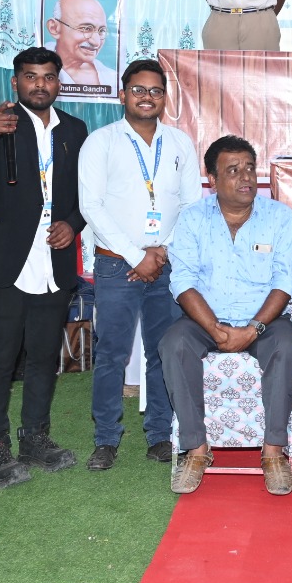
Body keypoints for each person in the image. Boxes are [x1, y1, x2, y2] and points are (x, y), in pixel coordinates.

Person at [0, 47, 89, 488]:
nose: (40, 84)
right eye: (31, 77)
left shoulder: (74, 129)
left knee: (43, 356)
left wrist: (73, 224)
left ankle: (35, 437)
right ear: (15, 82)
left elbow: (86, 192)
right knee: (0, 359)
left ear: (58, 83)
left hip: (54, 260)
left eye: (48, 77)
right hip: (7, 261)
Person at [79, 59, 202, 470]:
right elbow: (91, 206)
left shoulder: (180, 143)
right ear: (122, 94)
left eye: (155, 91)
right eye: (138, 90)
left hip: (167, 265)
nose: (147, 97)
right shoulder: (101, 142)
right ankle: (106, 439)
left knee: (163, 351)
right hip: (117, 265)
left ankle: (160, 435)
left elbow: (191, 205)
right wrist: (137, 256)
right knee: (111, 354)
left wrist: (161, 252)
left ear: (165, 97)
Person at [162, 136, 292, 496]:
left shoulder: (279, 216)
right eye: (234, 170)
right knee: (174, 344)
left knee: (287, 347)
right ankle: (196, 450)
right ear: (212, 179)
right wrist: (213, 327)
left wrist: (253, 329)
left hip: (265, 321)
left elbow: (284, 282)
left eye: (250, 168)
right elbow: (183, 280)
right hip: (205, 320)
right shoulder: (193, 218)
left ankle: (273, 452)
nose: (246, 177)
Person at [45, 0, 118, 93]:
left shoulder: (112, 79)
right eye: (86, 29)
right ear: (54, 28)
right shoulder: (36, 72)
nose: (96, 42)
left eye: (101, 31)